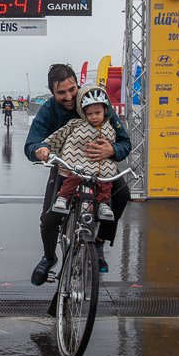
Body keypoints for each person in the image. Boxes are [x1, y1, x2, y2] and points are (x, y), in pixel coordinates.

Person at [25, 64, 132, 283]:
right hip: (67, 167)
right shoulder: (48, 110)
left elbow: (125, 142)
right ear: (52, 92)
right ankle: (48, 257)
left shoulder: (98, 101)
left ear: (77, 83)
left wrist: (112, 150)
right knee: (49, 217)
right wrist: (40, 150)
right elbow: (31, 144)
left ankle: (100, 242)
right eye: (61, 93)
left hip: (100, 164)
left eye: (72, 89)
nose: (68, 96)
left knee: (122, 193)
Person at [46, 86, 118, 222]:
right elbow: (60, 135)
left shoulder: (110, 127)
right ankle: (63, 197)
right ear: (84, 113)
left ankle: (103, 204)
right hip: (79, 160)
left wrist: (114, 150)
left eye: (97, 113)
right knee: (74, 177)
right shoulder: (76, 124)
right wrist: (46, 148)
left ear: (105, 111)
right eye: (89, 114)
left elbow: (119, 142)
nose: (94, 117)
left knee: (106, 183)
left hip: (102, 163)